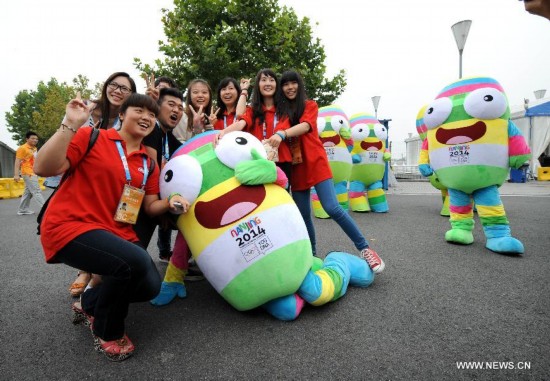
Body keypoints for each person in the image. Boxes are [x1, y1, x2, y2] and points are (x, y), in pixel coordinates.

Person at [34, 92, 189, 361]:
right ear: (121, 115)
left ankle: (89, 304)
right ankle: (107, 329)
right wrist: (70, 123)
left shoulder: (147, 164)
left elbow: (151, 206)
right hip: (70, 225)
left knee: (150, 286)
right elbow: (43, 167)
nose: (147, 117)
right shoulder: (93, 138)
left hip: (114, 232)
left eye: (152, 114)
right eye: (139, 110)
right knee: (136, 261)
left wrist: (171, 201)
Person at [269, 70, 385, 273]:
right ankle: (312, 257)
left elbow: (305, 126)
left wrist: (281, 133)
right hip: (297, 168)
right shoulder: (283, 112)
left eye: (293, 83)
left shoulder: (310, 105)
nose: (290, 87)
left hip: (316, 162)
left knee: (333, 207)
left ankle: (365, 249)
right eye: (285, 84)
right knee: (304, 215)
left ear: (299, 85)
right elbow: (282, 127)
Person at [68, 72, 137, 297]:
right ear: (106, 86)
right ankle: (84, 271)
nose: (117, 91)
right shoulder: (87, 108)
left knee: (106, 225)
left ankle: (95, 273)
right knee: (85, 222)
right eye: (114, 85)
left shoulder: (130, 116)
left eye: (124, 88)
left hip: (113, 178)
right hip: (84, 174)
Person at [217, 69, 293, 182]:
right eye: (263, 80)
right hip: (256, 162)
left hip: (281, 162)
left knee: (281, 198)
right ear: (258, 85)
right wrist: (223, 132)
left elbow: (283, 129)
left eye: (272, 80)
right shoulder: (252, 110)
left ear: (276, 85)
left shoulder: (285, 110)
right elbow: (240, 120)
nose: (268, 83)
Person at [13, 131, 45, 215]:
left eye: (36, 139)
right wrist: (16, 174)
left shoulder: (34, 148)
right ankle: (46, 210)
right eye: (33, 138)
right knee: (36, 191)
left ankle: (22, 209)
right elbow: (17, 161)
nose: (35, 140)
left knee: (28, 193)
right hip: (27, 173)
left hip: (33, 172)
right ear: (27, 139)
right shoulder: (22, 148)